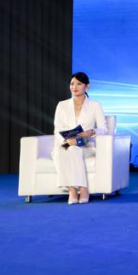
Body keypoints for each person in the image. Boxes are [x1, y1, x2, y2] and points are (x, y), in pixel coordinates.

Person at [51, 72, 108, 205]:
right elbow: (57, 129)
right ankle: (72, 190)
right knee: (61, 151)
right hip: (67, 142)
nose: (74, 87)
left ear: (87, 86)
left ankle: (83, 189)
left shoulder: (95, 105)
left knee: (74, 149)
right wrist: (66, 141)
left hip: (86, 145)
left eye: (78, 84)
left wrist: (91, 131)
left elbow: (104, 129)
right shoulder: (62, 105)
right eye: (72, 84)